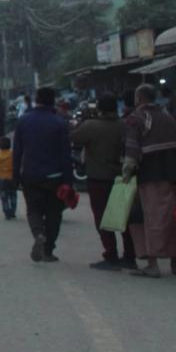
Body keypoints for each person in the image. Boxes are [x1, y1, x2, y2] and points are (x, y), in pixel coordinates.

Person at [71, 93, 137, 270]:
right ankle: (130, 256)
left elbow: (74, 137)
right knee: (124, 218)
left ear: (99, 108)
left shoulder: (91, 125)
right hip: (122, 178)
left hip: (98, 178)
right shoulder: (124, 125)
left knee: (102, 217)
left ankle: (111, 255)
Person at [12, 87, 74, 263]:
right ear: (53, 101)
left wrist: (15, 175)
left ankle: (38, 233)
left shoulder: (23, 121)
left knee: (33, 210)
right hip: (55, 177)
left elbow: (17, 152)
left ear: (36, 100)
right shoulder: (60, 123)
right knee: (54, 213)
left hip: (30, 175)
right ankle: (48, 251)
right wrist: (68, 182)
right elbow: (66, 155)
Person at [121, 84, 176, 279]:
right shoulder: (168, 116)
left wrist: (126, 175)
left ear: (139, 98)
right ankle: (173, 262)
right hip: (171, 174)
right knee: (171, 217)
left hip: (150, 176)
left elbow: (132, 150)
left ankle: (152, 265)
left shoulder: (136, 119)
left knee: (152, 218)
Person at [0, 136, 17, 220]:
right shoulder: (13, 154)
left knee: (4, 197)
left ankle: (6, 212)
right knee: (13, 195)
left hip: (2, 180)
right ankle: (13, 211)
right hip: (12, 179)